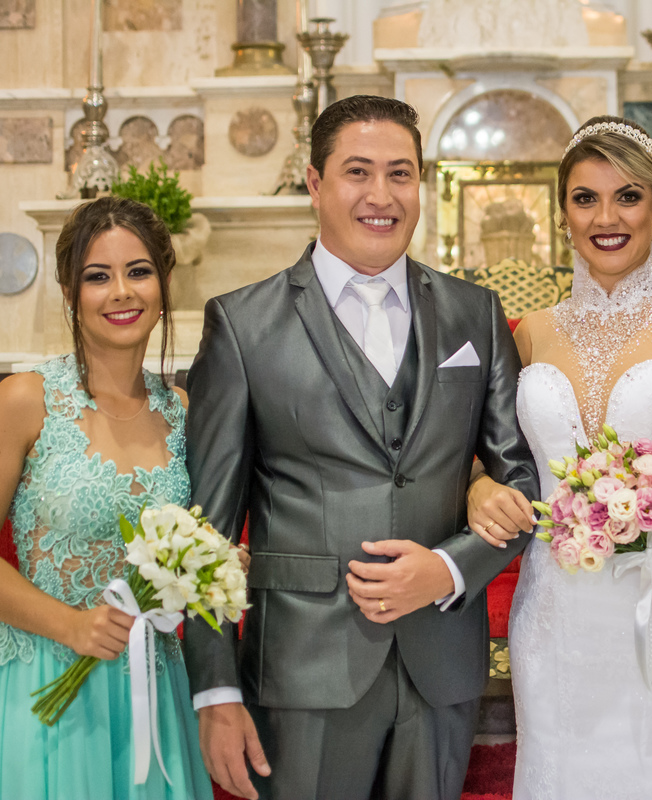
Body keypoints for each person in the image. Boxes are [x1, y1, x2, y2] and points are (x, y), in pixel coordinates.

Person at [182, 94, 538, 800]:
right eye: (358, 172)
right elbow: (206, 530)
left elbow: (521, 482)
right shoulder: (242, 325)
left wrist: (449, 568)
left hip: (441, 662)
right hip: (303, 665)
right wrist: (215, 690)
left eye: (400, 174)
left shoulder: (475, 313)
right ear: (315, 184)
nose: (382, 195)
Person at [467, 116, 652, 799]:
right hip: (556, 614)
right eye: (585, 198)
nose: (606, 218)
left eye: (628, 196)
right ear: (562, 214)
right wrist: (476, 488)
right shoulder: (530, 334)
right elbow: (488, 460)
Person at [0, 196, 213, 799]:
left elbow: (185, 547)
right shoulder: (25, 400)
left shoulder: (183, 413)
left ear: (164, 285)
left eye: (138, 271)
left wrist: (207, 569)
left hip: (152, 683)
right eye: (98, 276)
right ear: (69, 292)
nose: (122, 292)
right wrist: (71, 625)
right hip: (46, 677)